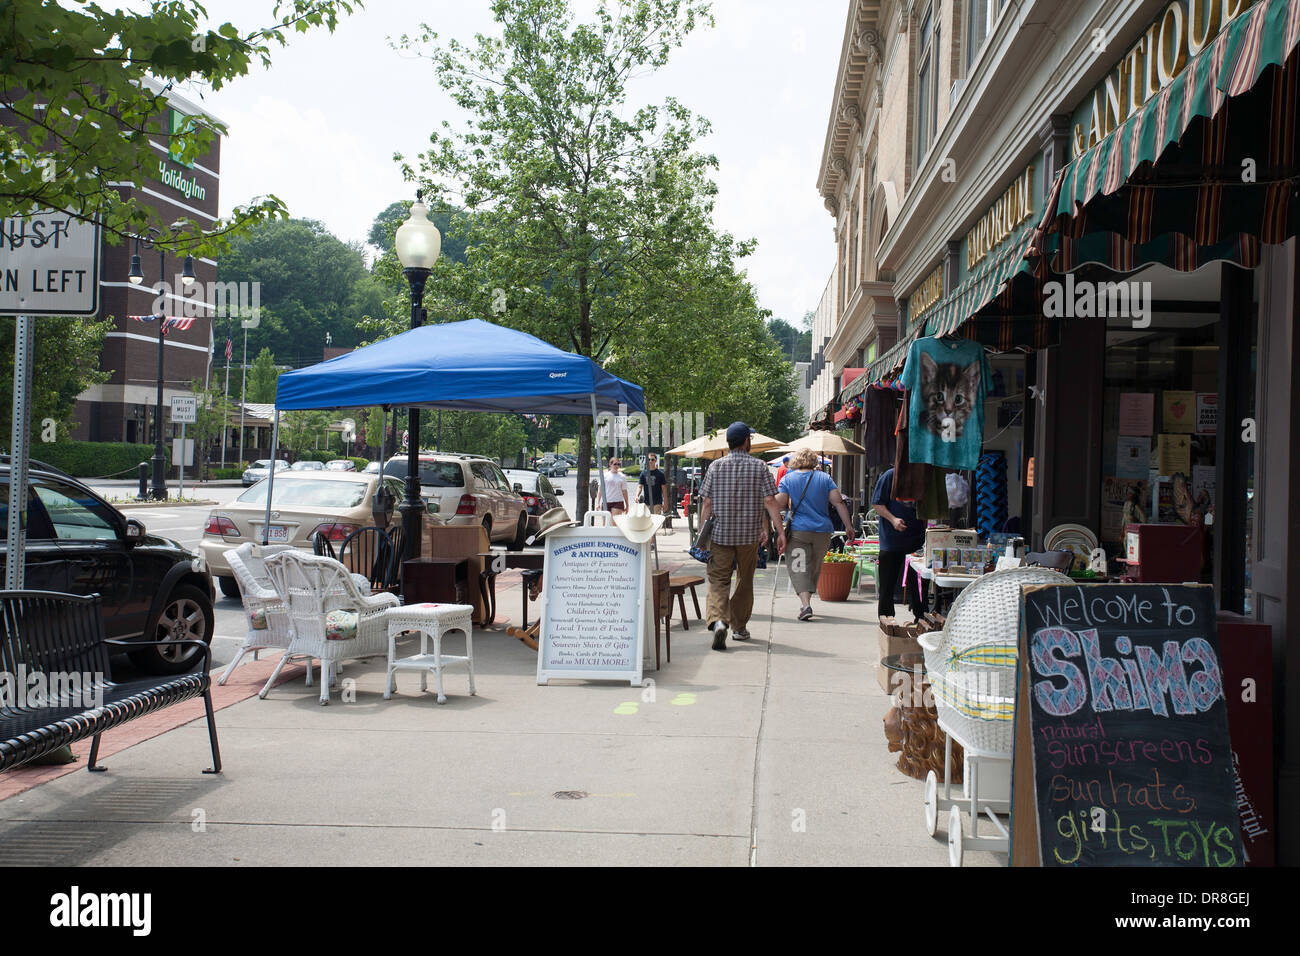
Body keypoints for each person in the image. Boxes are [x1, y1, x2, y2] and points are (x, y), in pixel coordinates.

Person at [697, 422, 786, 650]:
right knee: (744, 581)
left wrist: (701, 537)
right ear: (747, 441)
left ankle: (718, 621)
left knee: (718, 580)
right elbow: (769, 501)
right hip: (748, 537)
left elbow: (707, 503)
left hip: (720, 536)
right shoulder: (759, 467)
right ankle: (738, 628)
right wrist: (779, 531)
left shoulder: (715, 467)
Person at [777, 448, 854, 621]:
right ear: (813, 461)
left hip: (798, 531)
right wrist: (848, 526)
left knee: (799, 567)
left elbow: (780, 503)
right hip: (823, 532)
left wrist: (768, 503)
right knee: (814, 567)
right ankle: (807, 603)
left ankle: (805, 604)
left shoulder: (788, 479)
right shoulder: (825, 478)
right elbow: (838, 502)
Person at [871, 466, 928, 622]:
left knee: (919, 582)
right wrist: (893, 519)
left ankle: (921, 617)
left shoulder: (923, 476)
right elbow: (877, 504)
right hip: (891, 540)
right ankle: (887, 619)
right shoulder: (890, 476)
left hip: (916, 539)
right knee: (887, 584)